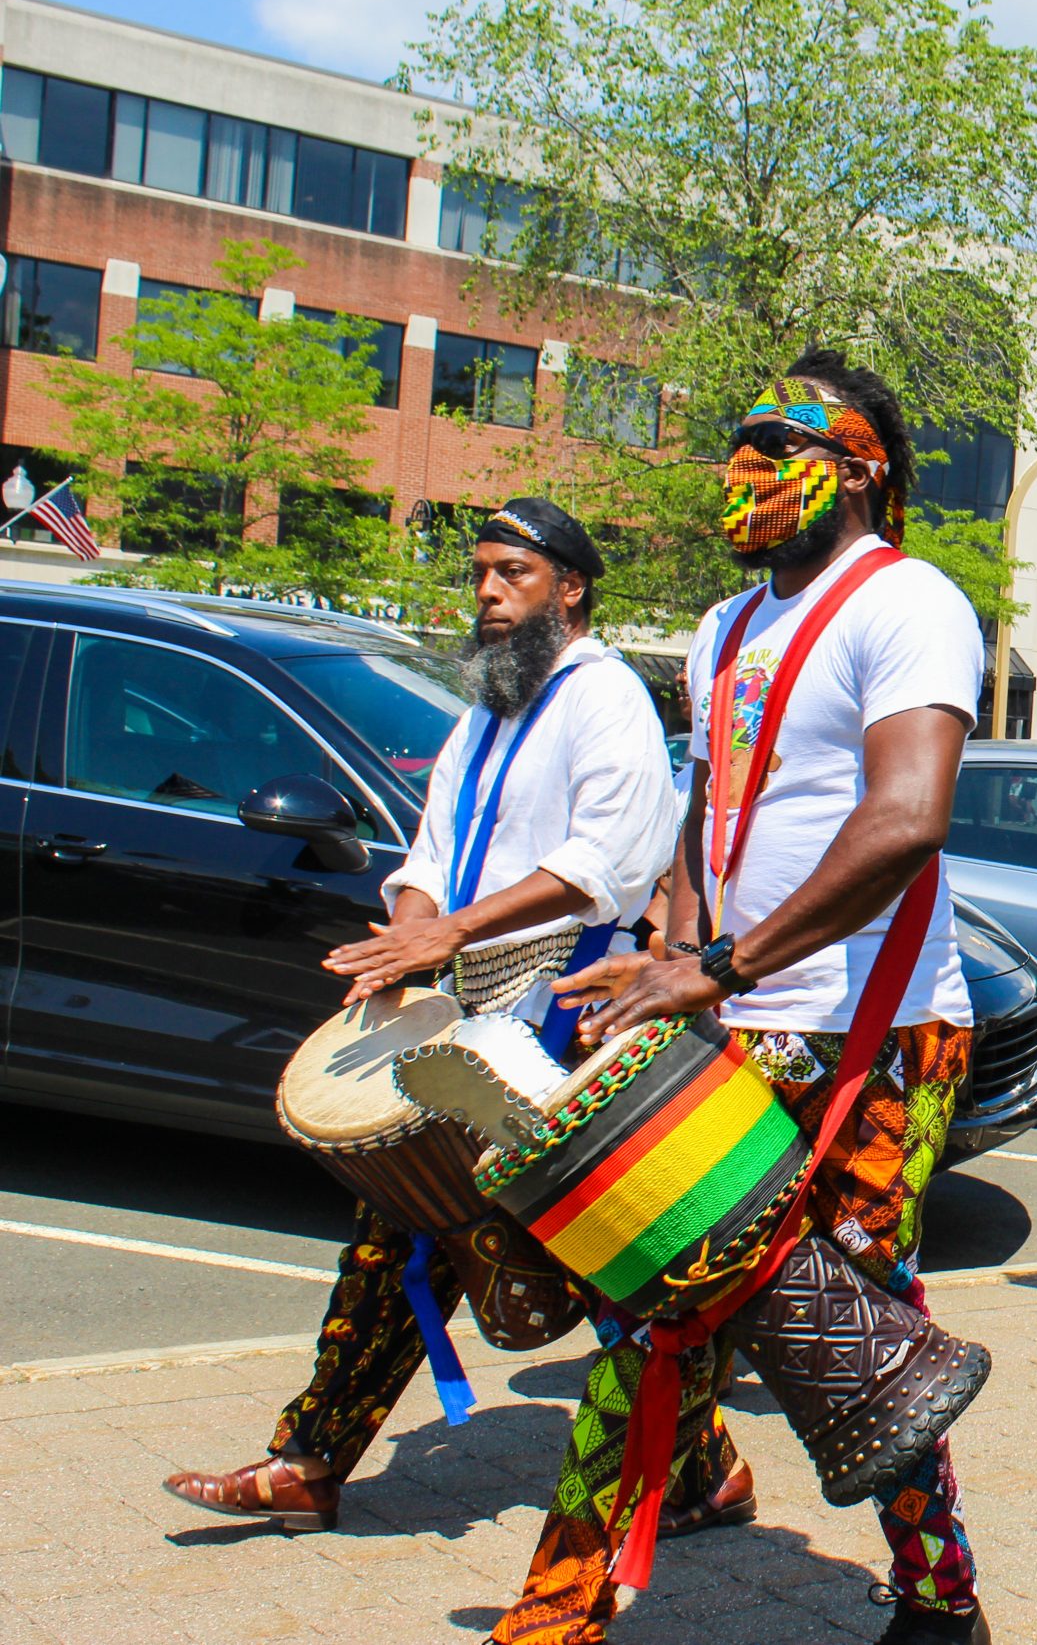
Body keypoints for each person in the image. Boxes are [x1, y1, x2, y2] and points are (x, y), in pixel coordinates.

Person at [492, 353, 992, 1645]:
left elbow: (906, 818)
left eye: (784, 439)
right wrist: (677, 952)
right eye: (742, 440)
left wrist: (718, 966)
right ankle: (563, 1605)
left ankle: (940, 1600)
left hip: (880, 1030)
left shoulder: (911, 600)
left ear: (865, 470)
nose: (750, 465)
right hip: (739, 1015)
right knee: (660, 1297)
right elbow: (708, 822)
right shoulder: (721, 626)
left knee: (857, 1323)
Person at [158, 501, 740, 1537]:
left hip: (561, 1010)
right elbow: (429, 850)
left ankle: (701, 1470)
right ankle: (309, 1461)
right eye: (479, 572)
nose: (486, 591)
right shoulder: (484, 709)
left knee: (596, 1253)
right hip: (465, 1007)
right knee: (407, 1234)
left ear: (570, 589)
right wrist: (408, 945)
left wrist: (449, 934)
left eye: (511, 572)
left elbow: (602, 865)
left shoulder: (605, 700)